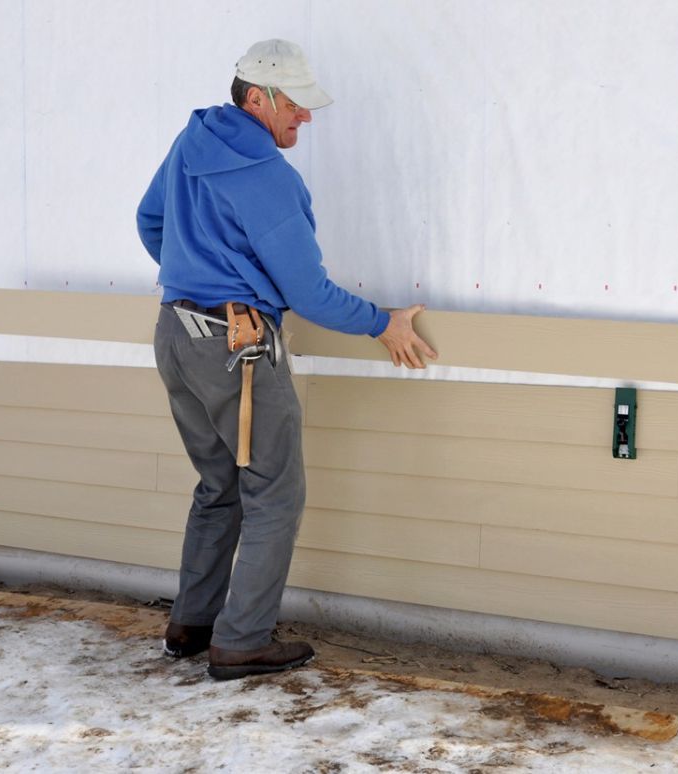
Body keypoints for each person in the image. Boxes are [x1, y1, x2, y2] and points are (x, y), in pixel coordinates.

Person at [136, 38, 436, 681]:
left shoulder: (192, 143)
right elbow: (308, 293)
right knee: (274, 493)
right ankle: (241, 641)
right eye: (297, 105)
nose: (306, 117)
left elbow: (150, 220)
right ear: (258, 97)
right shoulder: (268, 176)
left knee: (218, 486)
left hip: (175, 334)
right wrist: (384, 323)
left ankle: (191, 625)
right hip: (235, 348)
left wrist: (198, 274)